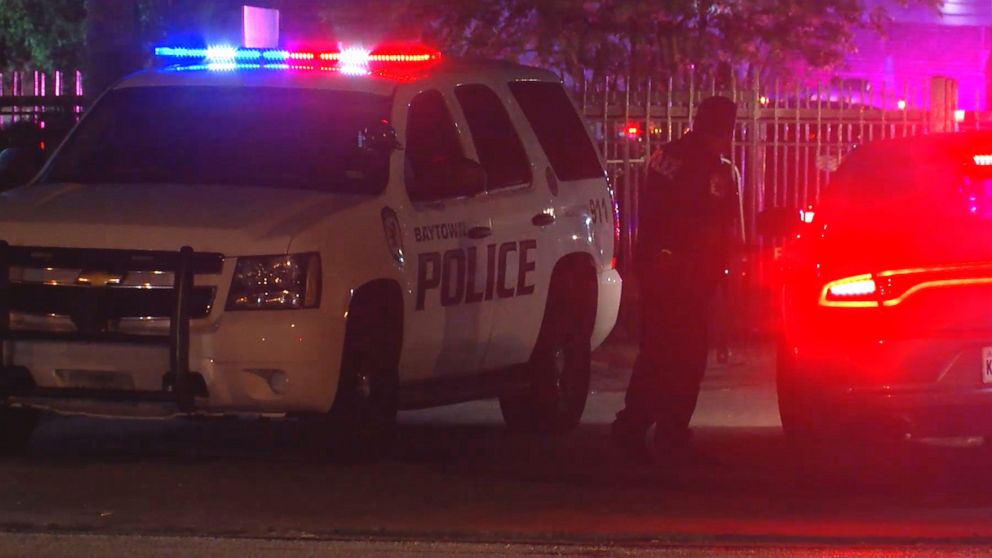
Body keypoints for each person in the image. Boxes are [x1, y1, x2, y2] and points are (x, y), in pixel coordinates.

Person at [611, 96, 742, 463]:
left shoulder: (664, 157)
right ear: (723, 130)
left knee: (654, 351)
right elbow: (716, 223)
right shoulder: (710, 168)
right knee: (687, 358)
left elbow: (654, 212)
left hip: (657, 270)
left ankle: (632, 425)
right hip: (690, 275)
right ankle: (672, 431)